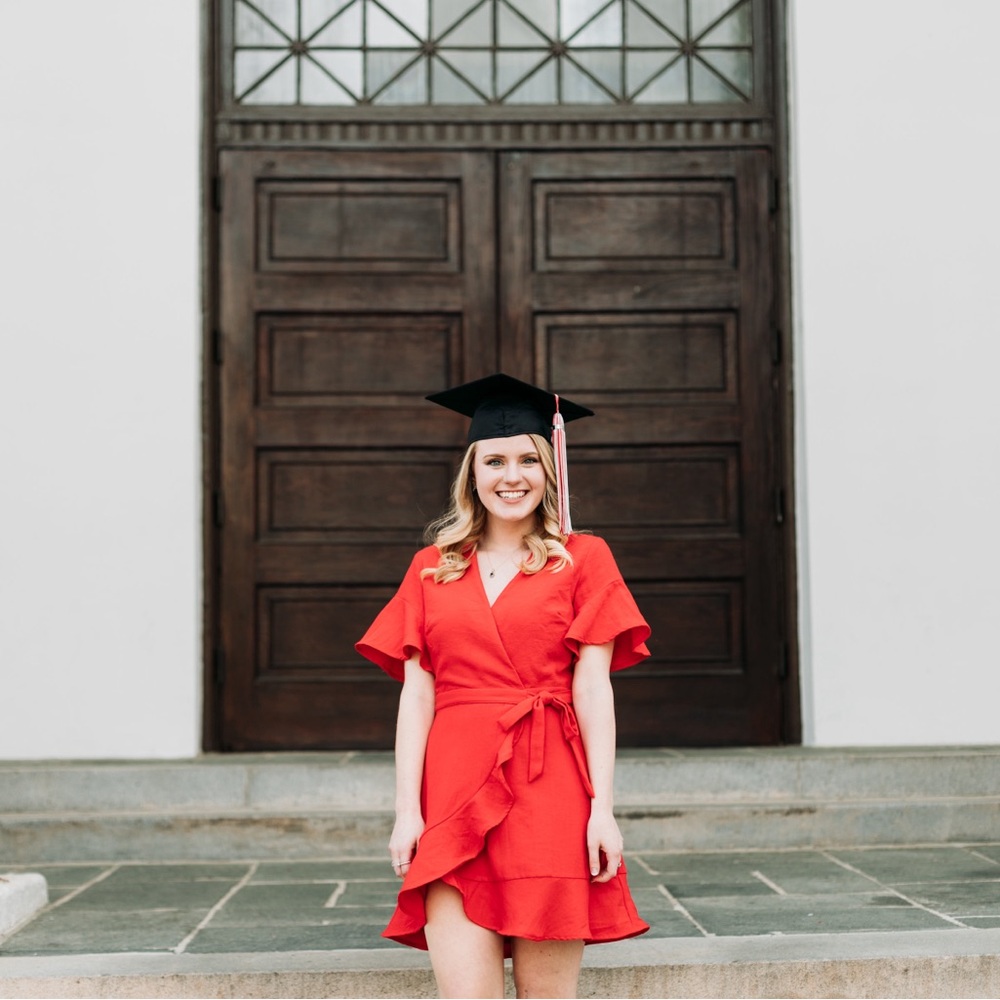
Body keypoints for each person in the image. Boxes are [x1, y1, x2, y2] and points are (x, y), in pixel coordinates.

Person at [356, 373, 650, 999]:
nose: (510, 476)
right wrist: (408, 811)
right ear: (472, 472)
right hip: (455, 791)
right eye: (494, 460)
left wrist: (604, 810)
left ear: (550, 472)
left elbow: (594, 689)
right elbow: (417, 694)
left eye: (527, 461)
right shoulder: (432, 568)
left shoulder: (582, 557)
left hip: (551, 793)